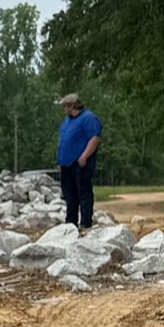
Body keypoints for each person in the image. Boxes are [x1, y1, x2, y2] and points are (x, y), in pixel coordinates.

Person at [57, 92, 102, 229]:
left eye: (65, 106)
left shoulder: (88, 118)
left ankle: (85, 223)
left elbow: (94, 138)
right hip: (66, 164)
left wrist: (84, 156)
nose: (64, 109)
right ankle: (70, 223)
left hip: (80, 163)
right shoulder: (67, 121)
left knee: (84, 193)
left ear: (72, 105)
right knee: (69, 195)